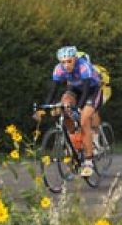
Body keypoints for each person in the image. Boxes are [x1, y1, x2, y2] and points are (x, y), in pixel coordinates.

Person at [34, 46, 103, 177]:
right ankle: (73, 141)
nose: (66, 65)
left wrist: (79, 108)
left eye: (69, 61)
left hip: (91, 90)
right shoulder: (58, 69)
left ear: (75, 59)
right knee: (64, 105)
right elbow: (54, 89)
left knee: (84, 120)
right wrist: (44, 107)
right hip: (75, 89)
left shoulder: (83, 66)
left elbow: (86, 90)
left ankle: (89, 162)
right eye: (63, 62)